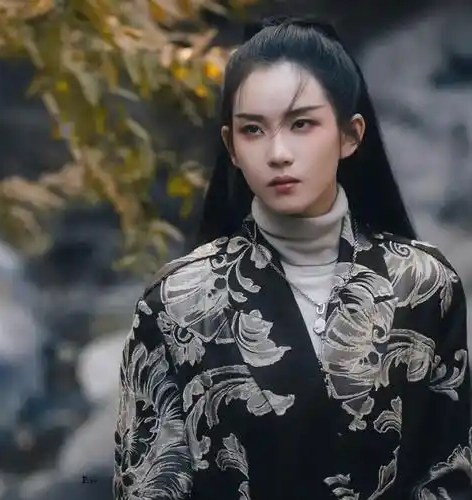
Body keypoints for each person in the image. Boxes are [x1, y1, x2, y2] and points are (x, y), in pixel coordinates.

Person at [113, 17, 472, 500]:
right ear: (231, 147)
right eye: (253, 130)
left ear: (350, 134)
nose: (278, 152)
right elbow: (146, 485)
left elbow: (451, 473)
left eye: (302, 124)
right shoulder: (177, 301)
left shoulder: (424, 283)